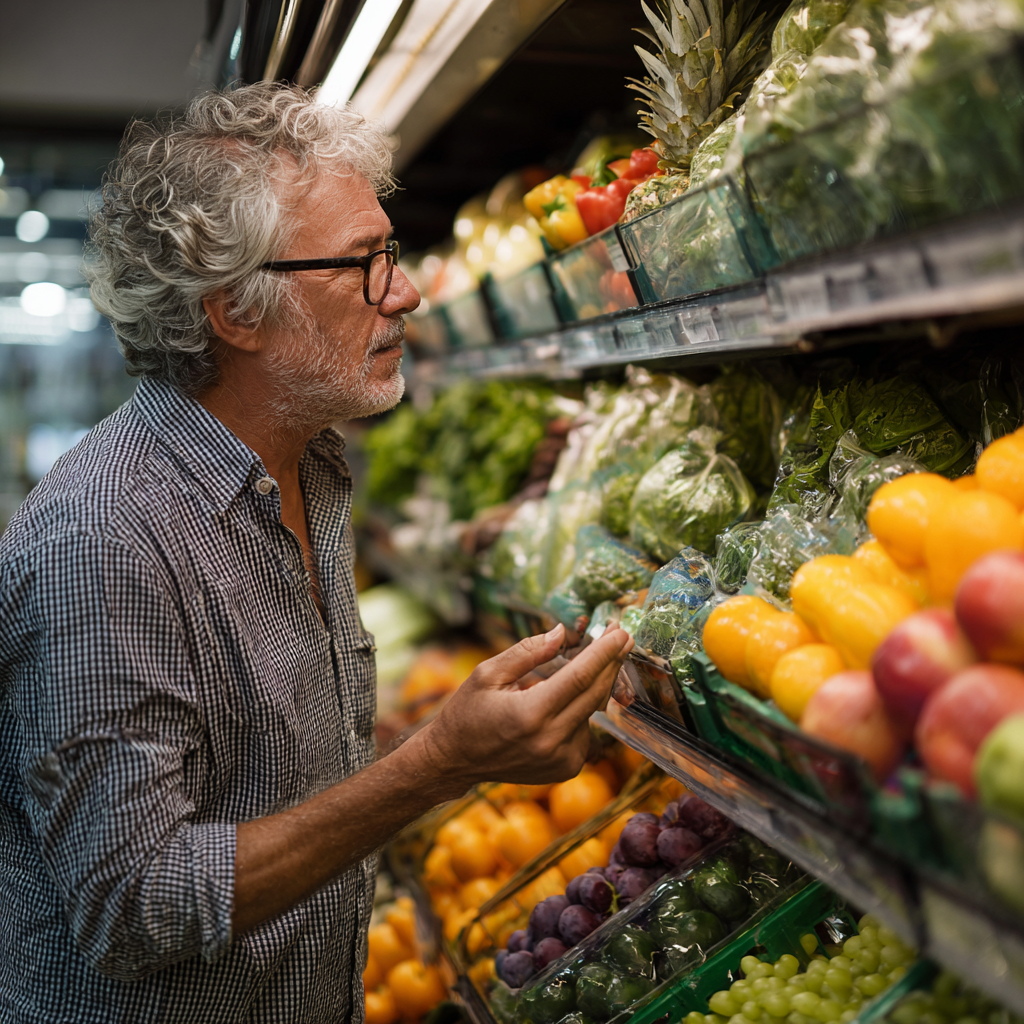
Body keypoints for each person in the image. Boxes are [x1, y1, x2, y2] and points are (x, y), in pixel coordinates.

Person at [0, 83, 633, 1023]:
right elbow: (134, 908)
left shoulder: (312, 468)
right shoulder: (106, 542)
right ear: (235, 312)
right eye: (362, 264)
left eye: (393, 251)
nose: (406, 290)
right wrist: (438, 763)